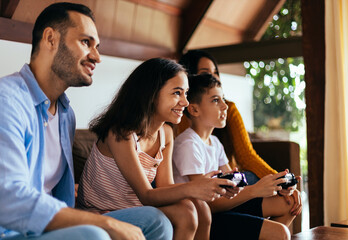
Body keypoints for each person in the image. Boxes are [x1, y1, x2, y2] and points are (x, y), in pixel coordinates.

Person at [0, 3, 173, 240]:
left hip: (48, 228)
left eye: (97, 46)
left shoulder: (65, 114)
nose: (97, 57)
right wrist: (105, 223)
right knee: (94, 235)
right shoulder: (7, 100)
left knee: (156, 222)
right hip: (11, 231)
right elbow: (8, 198)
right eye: (85, 42)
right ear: (50, 39)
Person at [77, 58, 238, 240]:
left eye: (186, 93)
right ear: (151, 94)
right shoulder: (121, 134)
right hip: (101, 214)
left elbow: (165, 187)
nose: (185, 102)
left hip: (135, 209)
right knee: (187, 207)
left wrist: (208, 187)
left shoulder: (166, 134)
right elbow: (147, 196)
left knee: (190, 208)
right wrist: (193, 187)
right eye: (177, 93)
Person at [172, 73, 302, 240]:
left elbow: (236, 184)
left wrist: (278, 185)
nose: (225, 106)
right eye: (215, 100)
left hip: (222, 208)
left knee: (287, 202)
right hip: (204, 217)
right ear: (194, 109)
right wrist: (255, 190)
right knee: (281, 233)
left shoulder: (214, 142)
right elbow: (206, 204)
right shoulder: (188, 144)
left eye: (223, 99)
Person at [177, 49, 278, 184]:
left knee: (251, 180)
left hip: (228, 179)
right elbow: (200, 190)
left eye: (216, 73)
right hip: (210, 188)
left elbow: (246, 156)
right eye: (206, 73)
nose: (215, 78)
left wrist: (278, 180)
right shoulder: (182, 122)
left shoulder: (227, 112)